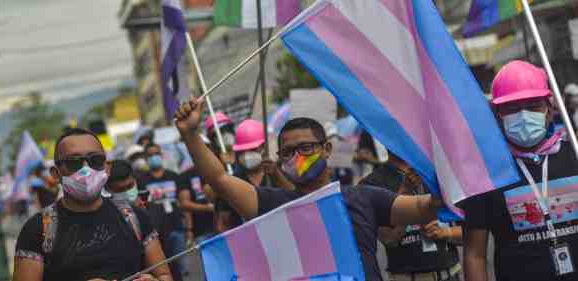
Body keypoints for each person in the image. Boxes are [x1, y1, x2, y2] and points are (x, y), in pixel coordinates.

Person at [175, 99, 443, 281]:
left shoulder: (363, 196)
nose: (298, 157)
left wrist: (446, 180)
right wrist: (189, 134)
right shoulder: (273, 204)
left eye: (306, 148)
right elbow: (220, 179)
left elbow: (422, 207)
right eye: (288, 152)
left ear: (326, 149)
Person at [461, 60, 578, 281]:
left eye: (533, 105)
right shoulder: (485, 172)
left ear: (548, 110)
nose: (523, 115)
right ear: (497, 114)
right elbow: (474, 255)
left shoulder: (574, 154)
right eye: (512, 108)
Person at [13, 128, 171, 281]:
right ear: (56, 173)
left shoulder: (134, 216)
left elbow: (164, 275)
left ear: (107, 168)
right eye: (73, 163)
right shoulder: (39, 229)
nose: (86, 169)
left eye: (95, 160)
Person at [360, 153, 462, 281]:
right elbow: (388, 238)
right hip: (406, 277)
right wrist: (405, 193)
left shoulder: (439, 173)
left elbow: (470, 235)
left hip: (450, 274)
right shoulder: (371, 184)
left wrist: (446, 232)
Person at [106, 159, 183, 281]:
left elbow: (169, 250)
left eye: (130, 186)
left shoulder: (153, 208)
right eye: (120, 190)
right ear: (108, 190)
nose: (127, 192)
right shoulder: (107, 217)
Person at [138, 143, 189, 278]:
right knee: (164, 268)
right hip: (156, 233)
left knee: (181, 268)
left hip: (176, 227)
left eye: (156, 154)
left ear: (161, 155)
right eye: (150, 155)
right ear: (145, 158)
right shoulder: (142, 180)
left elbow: (185, 204)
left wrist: (189, 229)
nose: (154, 157)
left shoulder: (173, 176)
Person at [178, 168, 214, 243]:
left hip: (223, 224)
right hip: (201, 229)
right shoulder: (186, 175)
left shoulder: (215, 170)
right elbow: (185, 204)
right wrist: (189, 229)